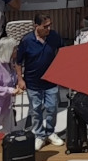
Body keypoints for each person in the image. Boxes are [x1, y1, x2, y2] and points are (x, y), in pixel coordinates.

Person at [14, 12, 66, 142]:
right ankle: (39, 134)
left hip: (51, 80)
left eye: (50, 26)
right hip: (33, 82)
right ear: (36, 26)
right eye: (45, 26)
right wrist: (20, 79)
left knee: (52, 108)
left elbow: (64, 50)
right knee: (35, 110)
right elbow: (18, 62)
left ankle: (50, 132)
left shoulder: (54, 36)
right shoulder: (26, 41)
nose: (48, 29)